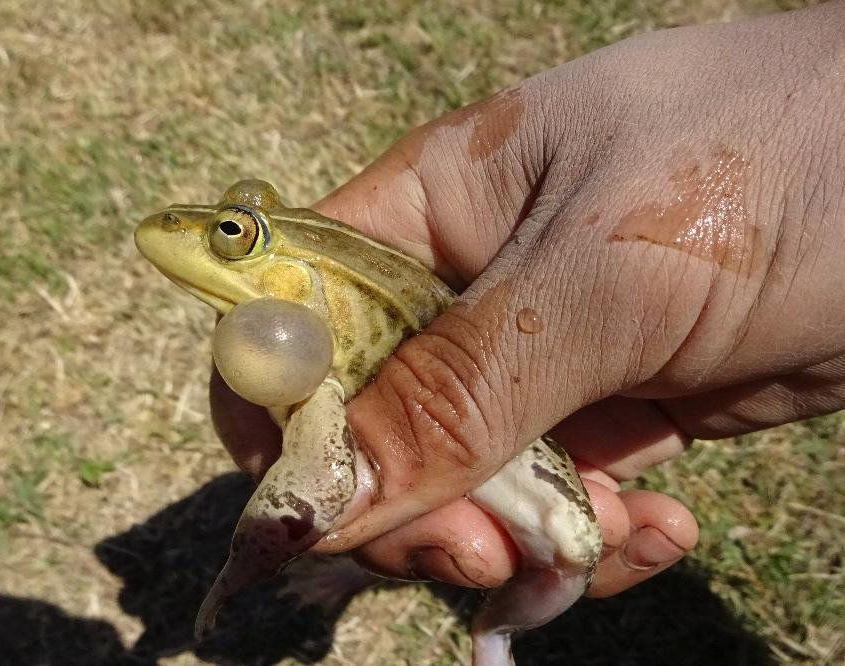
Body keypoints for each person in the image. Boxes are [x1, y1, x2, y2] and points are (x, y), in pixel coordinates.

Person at [211, 2, 844, 600]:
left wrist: (241, 565)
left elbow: (323, 482)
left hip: (502, 426)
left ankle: (509, 623)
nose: (215, 238)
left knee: (569, 539)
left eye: (233, 235)